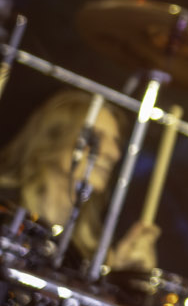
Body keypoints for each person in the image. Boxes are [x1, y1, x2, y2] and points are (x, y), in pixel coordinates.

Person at [0, 89, 159, 272]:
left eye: (115, 142)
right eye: (96, 138)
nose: (114, 153)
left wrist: (117, 273)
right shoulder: (5, 213)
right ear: (54, 138)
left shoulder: (91, 255)